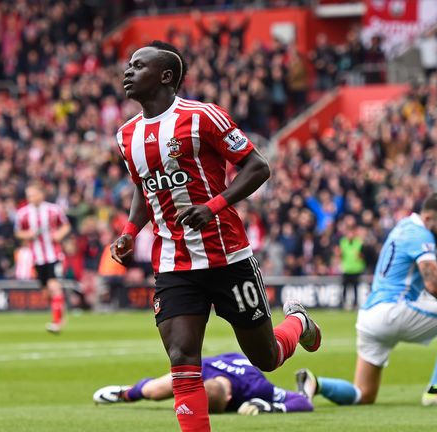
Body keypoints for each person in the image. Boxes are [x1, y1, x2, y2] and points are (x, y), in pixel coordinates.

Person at [111, 41, 321, 432]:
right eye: (128, 65)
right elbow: (145, 188)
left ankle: (298, 323)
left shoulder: (203, 116)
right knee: (181, 354)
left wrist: (212, 206)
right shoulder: (126, 136)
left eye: (138, 66)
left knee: (266, 357)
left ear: (165, 76)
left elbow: (257, 167)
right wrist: (128, 231)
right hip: (174, 261)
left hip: (227, 256)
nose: (128, 71)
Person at [296, 193, 437, 407]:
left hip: (369, 316)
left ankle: (314, 383)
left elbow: (436, 273)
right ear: (428, 218)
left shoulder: (404, 227)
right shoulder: (421, 234)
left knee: (364, 394)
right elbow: (434, 284)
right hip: (393, 310)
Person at [92, 352, 313, 416]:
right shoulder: (204, 368)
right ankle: (126, 392)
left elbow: (303, 402)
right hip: (202, 371)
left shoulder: (256, 387)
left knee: (160, 392)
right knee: (154, 390)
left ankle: (309, 383)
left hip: (241, 367)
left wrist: (272, 408)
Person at [14, 182, 71, 333]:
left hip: (54, 255)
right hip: (37, 258)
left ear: (42, 194)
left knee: (54, 286)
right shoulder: (23, 213)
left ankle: (57, 322)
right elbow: (18, 232)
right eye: (29, 196)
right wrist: (28, 235)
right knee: (46, 293)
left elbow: (66, 225)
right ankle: (60, 313)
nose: (31, 198)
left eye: (33, 194)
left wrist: (59, 234)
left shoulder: (53, 210)